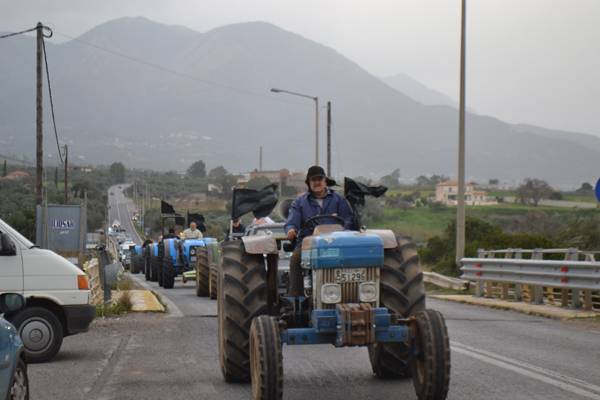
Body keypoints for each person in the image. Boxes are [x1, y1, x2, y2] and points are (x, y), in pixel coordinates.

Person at [284, 165, 354, 296]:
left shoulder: (339, 200)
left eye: (319, 179)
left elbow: (348, 220)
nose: (317, 182)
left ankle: (351, 292)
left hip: (336, 242)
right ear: (308, 183)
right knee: (296, 258)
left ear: (325, 181)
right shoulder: (299, 203)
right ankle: (297, 297)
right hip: (308, 244)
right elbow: (292, 221)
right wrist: (291, 230)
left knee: (354, 257)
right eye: (313, 180)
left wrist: (344, 229)